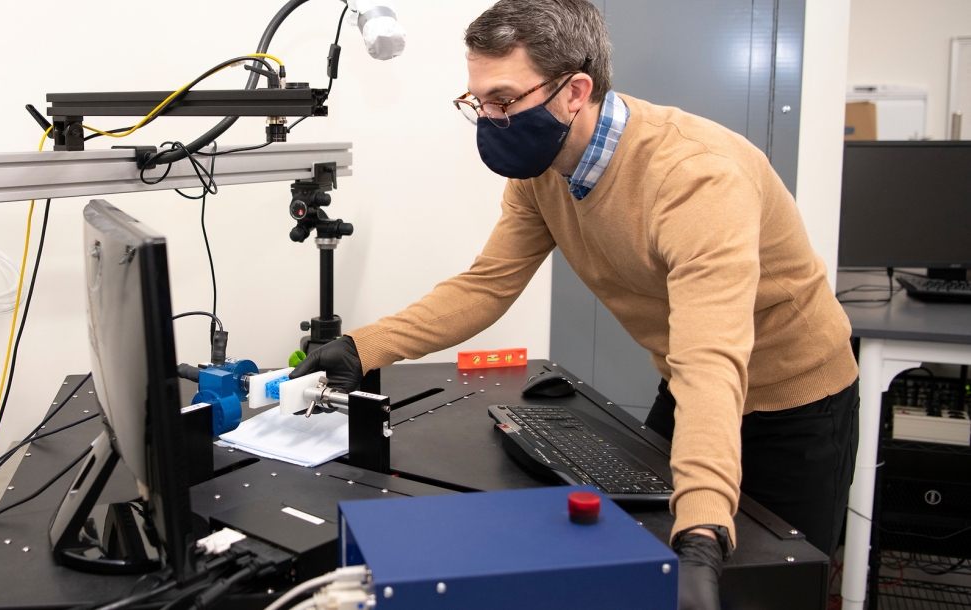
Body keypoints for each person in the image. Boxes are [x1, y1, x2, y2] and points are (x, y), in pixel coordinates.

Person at [291, 0, 860, 608]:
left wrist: (699, 536)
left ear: (574, 91)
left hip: (797, 404)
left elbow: (713, 361)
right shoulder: (542, 171)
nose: (489, 118)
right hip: (689, 385)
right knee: (644, 567)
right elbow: (487, 285)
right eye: (477, 102)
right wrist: (361, 347)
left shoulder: (697, 179)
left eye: (503, 101)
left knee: (766, 583)